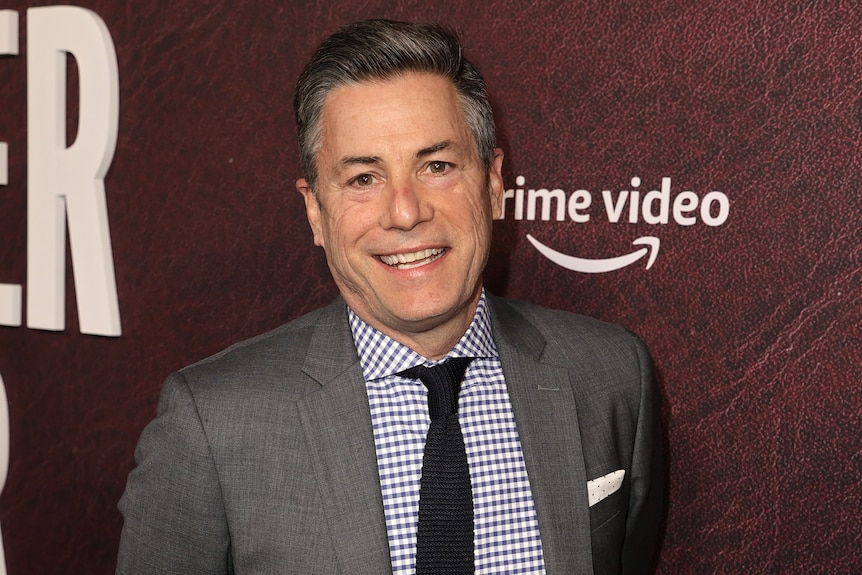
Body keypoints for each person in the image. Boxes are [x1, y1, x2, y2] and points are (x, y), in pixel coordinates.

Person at [116, 19, 662, 575]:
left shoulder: (611, 375)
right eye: (363, 179)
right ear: (314, 211)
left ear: (493, 183)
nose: (406, 212)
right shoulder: (212, 424)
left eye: (438, 166)